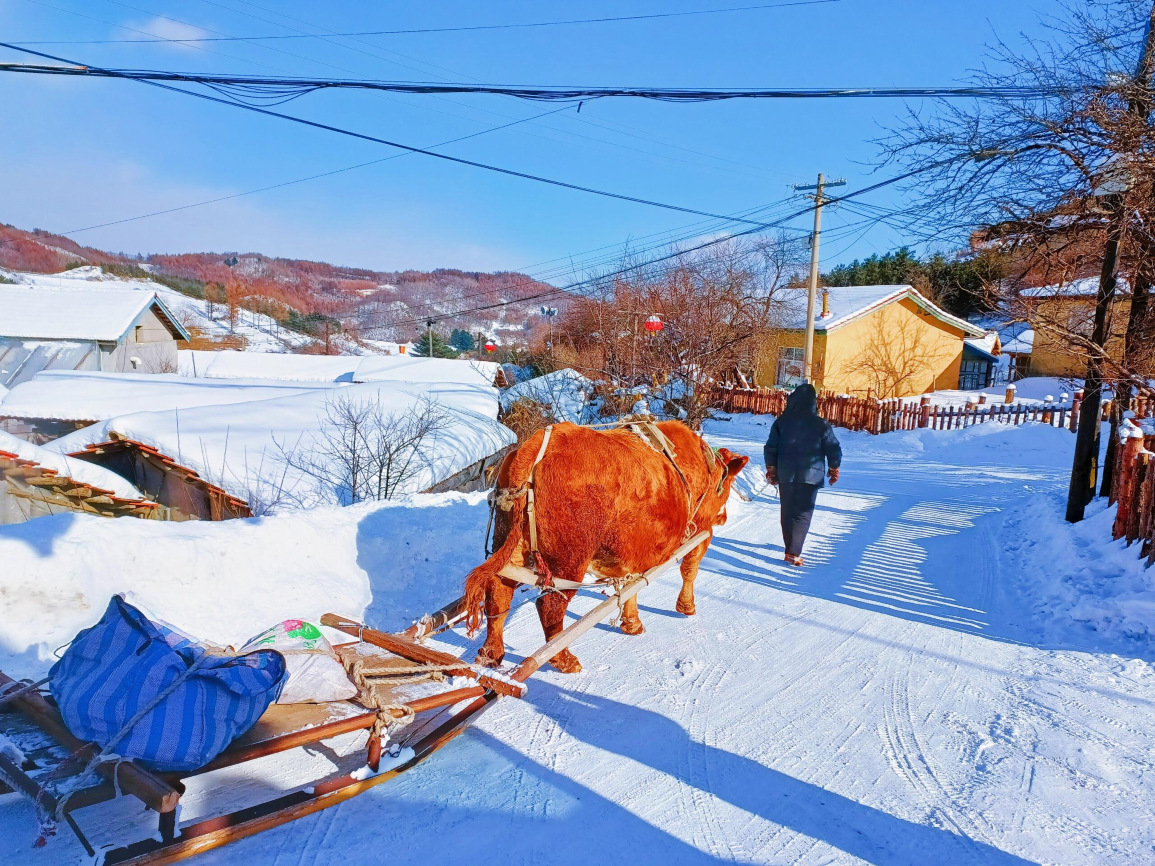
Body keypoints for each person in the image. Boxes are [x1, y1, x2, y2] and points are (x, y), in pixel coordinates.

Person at [763, 383, 842, 566]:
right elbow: (833, 447)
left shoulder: (781, 422)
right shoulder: (821, 424)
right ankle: (794, 552)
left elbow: (771, 447)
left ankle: (790, 549)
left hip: (786, 473)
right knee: (803, 513)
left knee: (788, 511)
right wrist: (834, 467)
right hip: (811, 476)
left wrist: (771, 468)